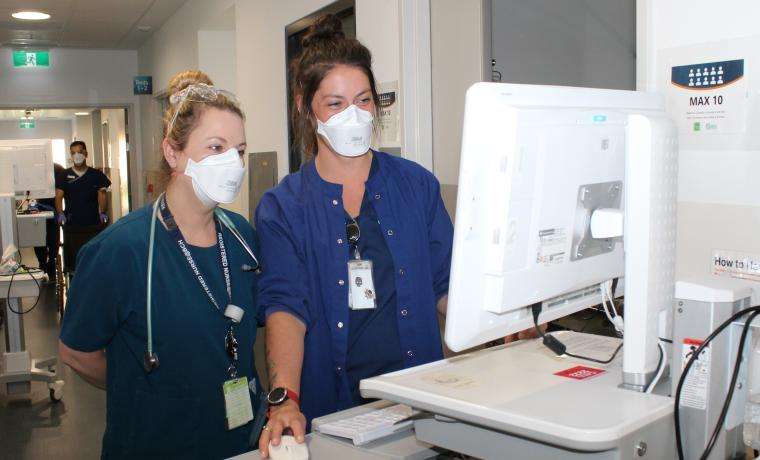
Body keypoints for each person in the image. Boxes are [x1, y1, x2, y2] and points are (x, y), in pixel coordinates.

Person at [255, 15, 454, 456]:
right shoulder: (284, 207)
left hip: (418, 405)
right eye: (336, 104)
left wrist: (496, 328)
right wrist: (285, 399)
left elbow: (445, 284)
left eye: (364, 100)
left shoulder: (416, 186)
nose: (354, 116)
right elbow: (285, 306)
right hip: (336, 411)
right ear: (307, 109)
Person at [58, 70, 263, 459]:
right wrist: (146, 388)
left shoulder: (241, 237)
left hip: (238, 443)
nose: (233, 164)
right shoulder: (123, 249)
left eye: (239, 150)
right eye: (216, 147)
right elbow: (76, 352)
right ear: (173, 152)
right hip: (155, 442)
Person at [55, 141, 111, 273]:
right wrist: (60, 213)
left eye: (79, 152)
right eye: (73, 153)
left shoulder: (96, 175)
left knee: (93, 256)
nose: (76, 156)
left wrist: (103, 212)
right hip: (72, 223)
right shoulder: (64, 175)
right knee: (74, 259)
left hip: (93, 223)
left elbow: (102, 195)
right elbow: (58, 196)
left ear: (86, 154)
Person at [33, 163, 65, 282]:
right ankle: (45, 262)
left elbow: (62, 190)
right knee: (42, 238)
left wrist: (60, 212)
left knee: (50, 237)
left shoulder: (58, 169)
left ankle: (49, 262)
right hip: (39, 208)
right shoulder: (36, 169)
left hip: (52, 208)